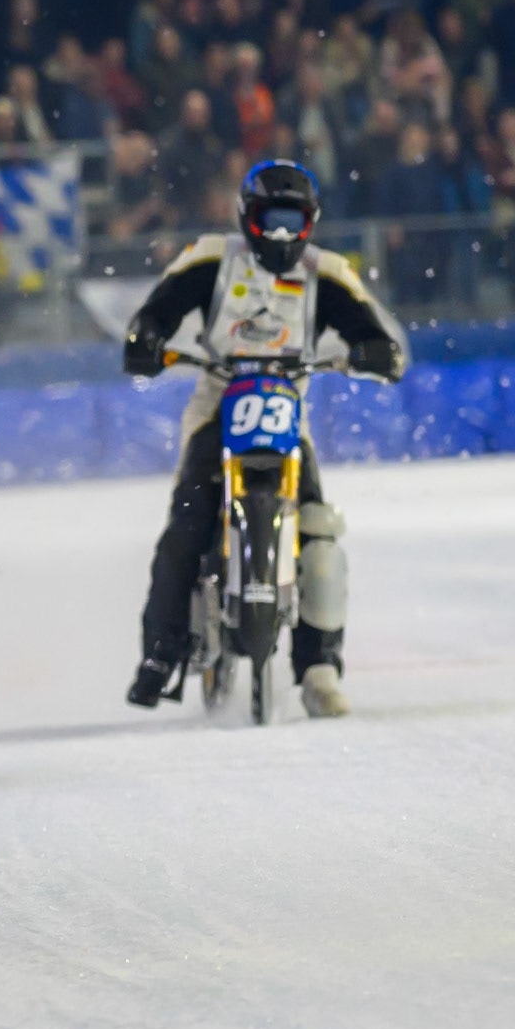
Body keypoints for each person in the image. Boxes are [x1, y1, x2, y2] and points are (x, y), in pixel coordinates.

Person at [120, 161, 408, 718]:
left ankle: (320, 666)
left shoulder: (330, 272)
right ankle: (161, 653)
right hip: (218, 398)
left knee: (318, 526)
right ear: (246, 217)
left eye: (291, 221)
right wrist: (148, 339)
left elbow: (376, 336)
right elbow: (155, 313)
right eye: (269, 219)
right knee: (188, 519)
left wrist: (377, 352)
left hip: (286, 404)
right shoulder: (211, 257)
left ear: (310, 222)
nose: (279, 234)